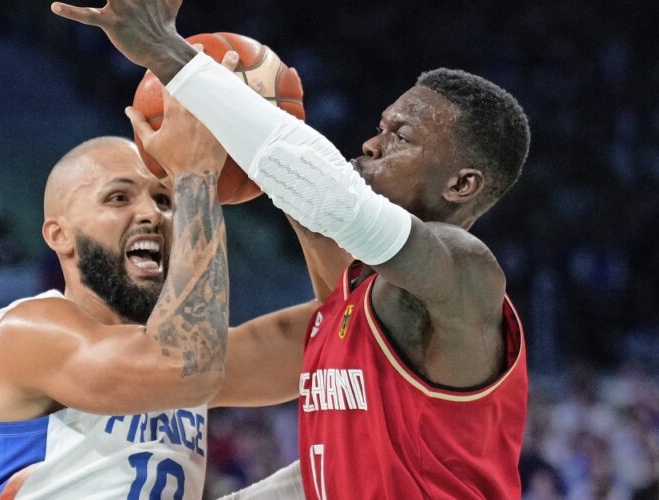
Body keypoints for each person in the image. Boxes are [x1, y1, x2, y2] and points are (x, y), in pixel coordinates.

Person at [51, 1, 530, 498]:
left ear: (462, 184)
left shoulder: (466, 276)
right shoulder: (342, 310)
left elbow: (332, 201)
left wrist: (169, 55)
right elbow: (193, 377)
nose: (370, 144)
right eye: (380, 127)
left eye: (401, 137)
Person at [0, 131, 316, 499]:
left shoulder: (174, 353)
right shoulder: (29, 331)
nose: (152, 213)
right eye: (119, 198)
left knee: (333, 466)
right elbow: (187, 365)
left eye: (165, 201)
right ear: (59, 235)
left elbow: (333, 338)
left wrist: (298, 180)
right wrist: (195, 173)